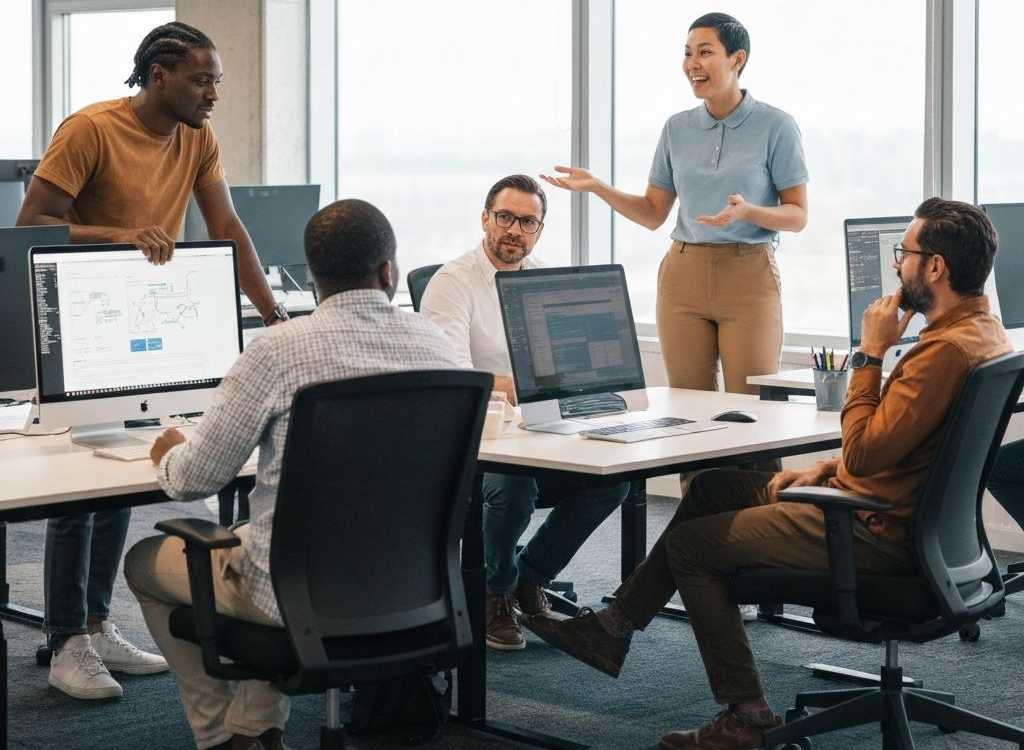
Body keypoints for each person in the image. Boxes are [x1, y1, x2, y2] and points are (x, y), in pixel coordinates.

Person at [528, 198, 1009, 750]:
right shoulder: (982, 334)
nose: (898, 265)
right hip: (906, 516)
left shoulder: (939, 353)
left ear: (936, 269)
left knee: (691, 547)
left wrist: (869, 354)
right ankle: (610, 629)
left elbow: (865, 451)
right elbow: (909, 448)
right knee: (715, 486)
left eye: (905, 253)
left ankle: (747, 716)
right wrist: (825, 469)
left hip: (876, 532)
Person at [124, 199, 460, 750]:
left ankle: (224, 738)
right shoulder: (439, 347)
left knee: (143, 563)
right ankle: (254, 730)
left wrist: (169, 450)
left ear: (312, 278)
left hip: (295, 591)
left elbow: (192, 481)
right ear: (389, 272)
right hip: (413, 585)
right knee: (262, 541)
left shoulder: (278, 350)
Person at [16, 21, 286, 701]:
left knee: (123, 469)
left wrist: (275, 316)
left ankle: (99, 623)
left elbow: (225, 226)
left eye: (217, 80)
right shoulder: (91, 130)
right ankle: (65, 640)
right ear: (158, 75)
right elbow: (29, 227)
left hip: (144, 317)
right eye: (202, 79)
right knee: (76, 490)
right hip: (77, 315)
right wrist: (117, 235)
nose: (213, 93)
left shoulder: (197, 136)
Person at [541, 12, 808, 396]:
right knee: (687, 405)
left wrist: (749, 211)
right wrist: (599, 187)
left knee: (754, 408)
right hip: (682, 275)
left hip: (748, 275)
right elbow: (653, 213)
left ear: (738, 59)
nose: (692, 65)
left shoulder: (776, 126)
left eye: (704, 52)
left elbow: (797, 215)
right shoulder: (676, 129)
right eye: (687, 54)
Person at [420, 174, 629, 651]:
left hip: (542, 428)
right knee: (514, 485)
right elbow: (452, 374)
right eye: (505, 217)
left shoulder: (546, 280)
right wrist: (520, 387)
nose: (514, 230)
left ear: (539, 229)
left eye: (527, 221)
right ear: (485, 219)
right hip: (480, 439)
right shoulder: (453, 283)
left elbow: (565, 363)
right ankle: (493, 592)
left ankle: (526, 576)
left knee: (614, 478)